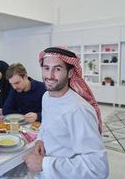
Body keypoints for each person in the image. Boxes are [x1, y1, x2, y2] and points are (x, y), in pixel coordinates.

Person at [23, 47, 108, 179]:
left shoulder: (78, 110)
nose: (50, 76)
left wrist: (44, 164)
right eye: (46, 68)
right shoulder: (46, 96)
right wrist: (40, 139)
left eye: (57, 69)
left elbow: (97, 168)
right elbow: (46, 125)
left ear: (70, 73)